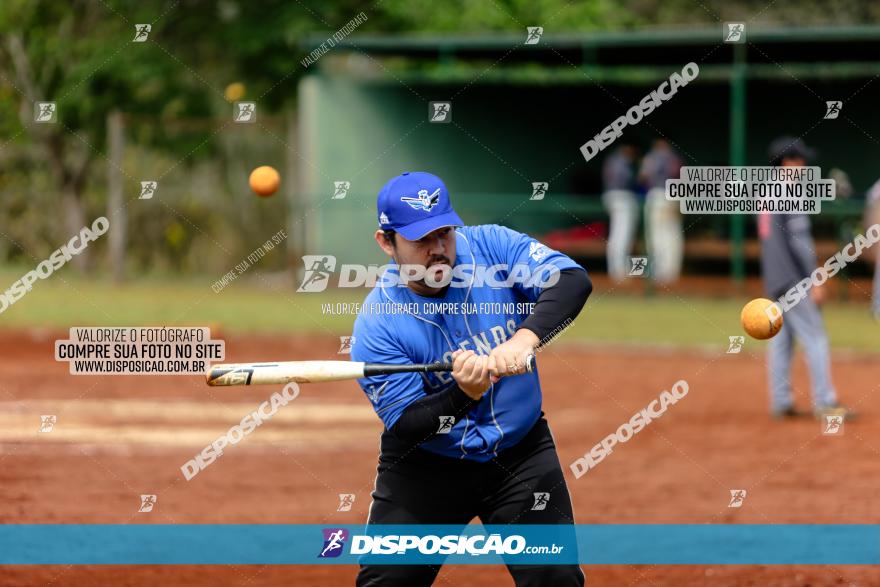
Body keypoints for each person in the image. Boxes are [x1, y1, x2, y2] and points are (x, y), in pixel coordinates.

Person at [351, 171, 591, 586]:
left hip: (520, 453)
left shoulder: (493, 246)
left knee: (556, 578)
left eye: (444, 232)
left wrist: (525, 338)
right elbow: (409, 426)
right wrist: (463, 394)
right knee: (387, 582)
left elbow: (573, 281)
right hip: (427, 468)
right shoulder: (377, 326)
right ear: (386, 242)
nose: (438, 249)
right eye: (420, 240)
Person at [759, 137, 852, 420]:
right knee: (815, 337)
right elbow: (800, 242)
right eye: (799, 160)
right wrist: (816, 279)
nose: (803, 166)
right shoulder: (789, 192)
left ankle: (780, 401)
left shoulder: (766, 192)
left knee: (781, 339)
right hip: (794, 279)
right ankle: (825, 402)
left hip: (775, 277)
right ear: (787, 162)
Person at [639, 139, 683, 284]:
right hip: (674, 196)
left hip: (658, 196)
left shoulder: (652, 157)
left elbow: (642, 178)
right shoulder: (675, 158)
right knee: (672, 235)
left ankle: (660, 273)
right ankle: (672, 273)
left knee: (657, 236)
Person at [602, 145, 639, 281]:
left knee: (617, 235)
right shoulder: (622, 161)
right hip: (622, 197)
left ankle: (617, 270)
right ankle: (618, 271)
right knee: (621, 235)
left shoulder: (612, 159)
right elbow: (626, 181)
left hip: (611, 196)